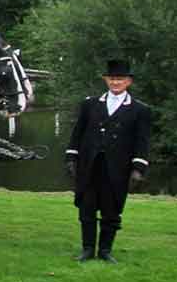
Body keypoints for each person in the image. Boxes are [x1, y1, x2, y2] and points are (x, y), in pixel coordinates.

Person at [66, 59, 154, 263]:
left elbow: (142, 141)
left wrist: (138, 167)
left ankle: (105, 250)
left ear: (128, 82)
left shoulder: (140, 110)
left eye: (120, 79)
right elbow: (77, 133)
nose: (116, 83)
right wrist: (71, 157)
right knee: (86, 209)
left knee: (111, 211)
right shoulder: (89, 104)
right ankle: (87, 249)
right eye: (112, 79)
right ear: (106, 80)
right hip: (90, 166)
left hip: (117, 169)